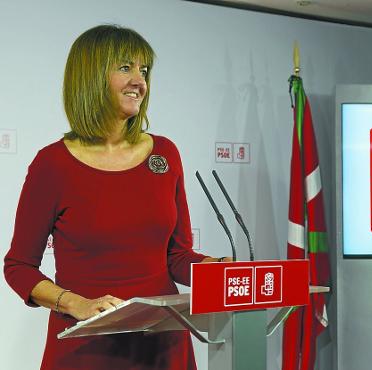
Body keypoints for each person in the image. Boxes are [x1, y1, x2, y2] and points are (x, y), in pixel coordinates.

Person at [3, 24, 231, 370]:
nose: (139, 81)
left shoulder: (165, 153)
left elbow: (177, 256)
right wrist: (75, 303)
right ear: (90, 76)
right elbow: (19, 267)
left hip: (162, 344)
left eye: (144, 70)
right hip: (87, 347)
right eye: (125, 67)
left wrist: (218, 270)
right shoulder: (53, 164)